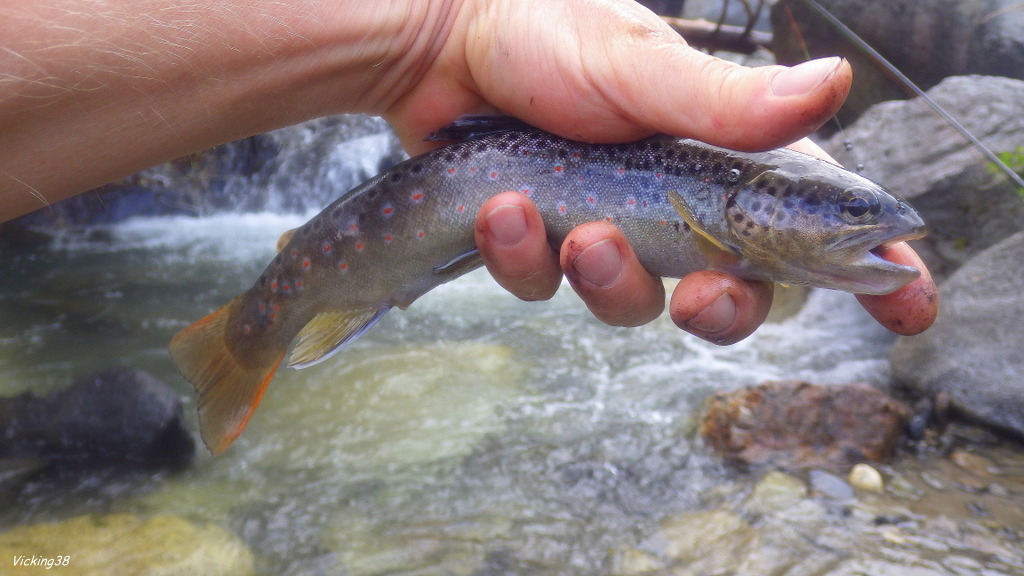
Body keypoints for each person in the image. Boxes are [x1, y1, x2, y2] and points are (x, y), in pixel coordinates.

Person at [0, 0, 937, 343]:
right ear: (759, 199)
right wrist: (443, 30)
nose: (870, 229)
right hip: (443, 184)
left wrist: (443, 32)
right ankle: (257, 324)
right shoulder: (721, 210)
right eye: (837, 208)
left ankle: (265, 320)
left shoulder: (729, 218)